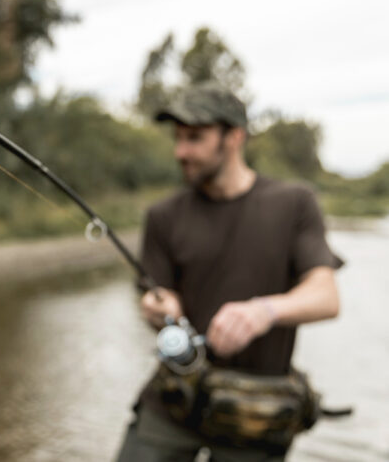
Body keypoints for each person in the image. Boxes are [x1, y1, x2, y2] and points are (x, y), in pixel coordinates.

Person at [115, 83, 343, 462]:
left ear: (234, 138)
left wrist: (264, 311)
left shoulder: (295, 203)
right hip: (174, 399)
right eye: (178, 139)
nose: (180, 152)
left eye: (194, 138)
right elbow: (157, 296)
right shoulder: (162, 216)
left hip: (257, 412)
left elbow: (326, 296)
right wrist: (159, 309)